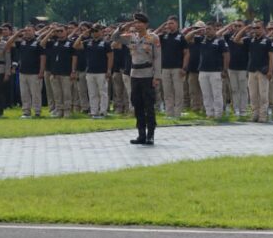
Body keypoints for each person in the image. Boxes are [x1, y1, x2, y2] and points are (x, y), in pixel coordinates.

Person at [112, 13, 161, 145]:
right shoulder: (130, 37)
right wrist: (123, 27)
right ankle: (141, 135)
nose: (137, 24)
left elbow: (157, 58)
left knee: (149, 106)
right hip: (134, 74)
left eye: (140, 22)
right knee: (137, 105)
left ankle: (150, 135)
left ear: (146, 24)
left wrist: (156, 77)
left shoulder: (153, 37)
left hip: (148, 74)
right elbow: (114, 37)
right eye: (135, 22)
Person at [186, 21, 229, 119]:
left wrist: (225, 69)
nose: (207, 31)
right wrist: (197, 30)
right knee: (206, 94)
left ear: (214, 30)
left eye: (209, 29)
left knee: (217, 93)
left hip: (216, 71)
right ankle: (209, 113)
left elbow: (226, 55)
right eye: (206, 29)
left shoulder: (220, 41)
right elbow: (187, 38)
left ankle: (218, 114)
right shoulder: (201, 39)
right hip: (203, 70)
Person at [233, 21, 273, 122]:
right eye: (254, 28)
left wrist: (270, 70)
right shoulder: (250, 39)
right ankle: (255, 114)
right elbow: (236, 40)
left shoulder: (267, 40)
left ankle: (263, 115)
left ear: (263, 29)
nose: (255, 30)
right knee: (253, 94)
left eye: (258, 28)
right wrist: (246, 28)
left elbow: (271, 57)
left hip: (263, 71)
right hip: (252, 70)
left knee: (263, 94)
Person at [73, 23, 113, 118]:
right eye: (93, 31)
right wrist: (83, 34)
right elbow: (75, 46)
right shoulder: (88, 42)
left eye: (96, 31)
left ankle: (103, 111)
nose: (94, 33)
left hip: (102, 71)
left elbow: (110, 57)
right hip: (90, 71)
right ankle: (94, 111)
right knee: (92, 93)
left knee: (102, 92)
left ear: (101, 31)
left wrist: (109, 70)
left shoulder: (105, 43)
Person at [7, 25, 45, 118]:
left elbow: (43, 58)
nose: (27, 32)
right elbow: (9, 43)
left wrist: (41, 71)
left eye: (29, 30)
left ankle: (37, 112)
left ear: (34, 32)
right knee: (24, 93)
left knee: (35, 93)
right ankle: (26, 112)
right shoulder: (22, 42)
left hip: (35, 72)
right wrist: (18, 33)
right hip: (23, 72)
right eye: (26, 30)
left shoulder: (38, 43)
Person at [155, 16, 188, 118]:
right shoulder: (163, 36)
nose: (169, 25)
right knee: (167, 92)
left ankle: (177, 113)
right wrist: (162, 27)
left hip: (177, 68)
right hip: (165, 68)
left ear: (177, 24)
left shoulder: (181, 37)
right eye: (168, 23)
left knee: (178, 92)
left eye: (171, 23)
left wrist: (184, 68)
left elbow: (187, 53)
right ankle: (169, 113)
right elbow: (151, 35)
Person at [40, 25, 74, 118]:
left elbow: (74, 57)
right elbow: (42, 43)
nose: (59, 33)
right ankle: (59, 110)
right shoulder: (53, 43)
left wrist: (73, 71)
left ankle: (67, 110)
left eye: (61, 31)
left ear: (66, 31)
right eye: (58, 31)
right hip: (55, 72)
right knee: (57, 93)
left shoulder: (70, 43)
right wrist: (51, 31)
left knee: (66, 93)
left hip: (66, 72)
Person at [220, 21, 249, 117]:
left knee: (243, 90)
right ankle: (236, 109)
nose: (237, 27)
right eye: (235, 26)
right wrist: (229, 25)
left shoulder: (247, 37)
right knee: (234, 89)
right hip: (231, 67)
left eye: (239, 26)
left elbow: (238, 40)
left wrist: (243, 29)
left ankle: (243, 109)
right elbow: (220, 34)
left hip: (243, 67)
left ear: (244, 27)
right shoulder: (229, 36)